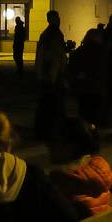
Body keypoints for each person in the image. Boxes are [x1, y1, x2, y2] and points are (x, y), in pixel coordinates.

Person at [48, 117, 112, 217]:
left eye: (53, 142)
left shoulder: (61, 179)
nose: (48, 147)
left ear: (69, 147)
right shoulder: (100, 170)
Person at [34, 10, 68, 140]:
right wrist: (53, 76)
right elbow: (51, 57)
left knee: (47, 103)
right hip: (51, 76)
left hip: (50, 75)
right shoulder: (52, 34)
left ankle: (46, 129)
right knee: (52, 103)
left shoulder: (49, 33)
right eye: (56, 18)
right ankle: (50, 129)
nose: (58, 20)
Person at [68, 28, 107, 127]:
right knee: (95, 114)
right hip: (97, 88)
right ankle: (93, 131)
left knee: (83, 113)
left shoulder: (80, 51)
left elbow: (71, 68)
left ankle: (84, 131)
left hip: (82, 88)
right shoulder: (102, 52)